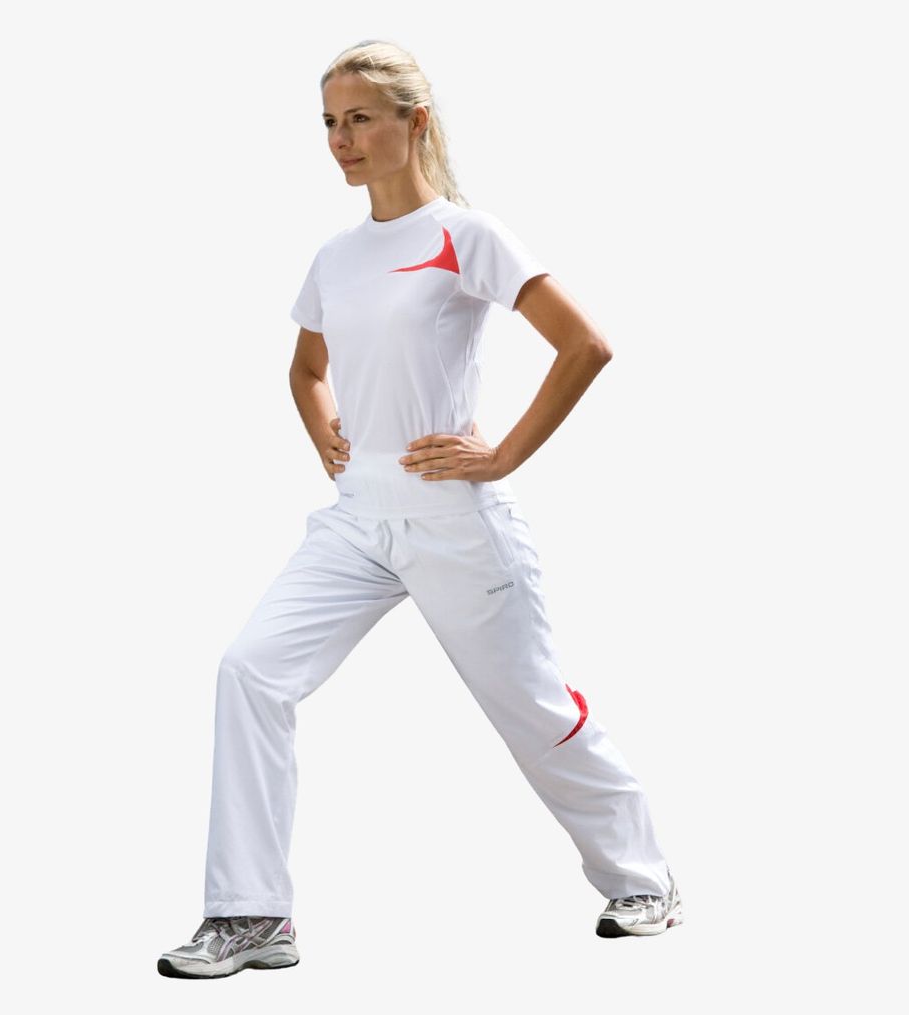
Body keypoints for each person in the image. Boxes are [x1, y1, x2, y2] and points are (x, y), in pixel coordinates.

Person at [158, 39, 682, 980]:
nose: (341, 138)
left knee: (528, 704)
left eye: (360, 118)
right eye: (329, 121)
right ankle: (251, 914)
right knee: (250, 671)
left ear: (415, 122)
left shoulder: (467, 235)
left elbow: (584, 345)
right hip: (358, 517)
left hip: (451, 517)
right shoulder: (335, 256)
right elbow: (306, 369)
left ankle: (641, 878)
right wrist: (328, 435)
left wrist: (502, 454)